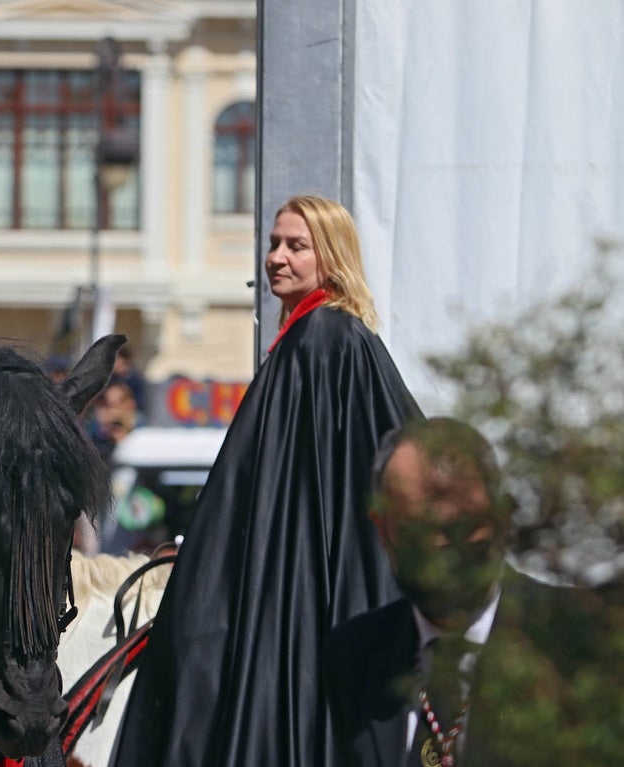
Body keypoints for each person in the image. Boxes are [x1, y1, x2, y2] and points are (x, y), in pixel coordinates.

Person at [111, 195, 420, 767]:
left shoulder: (320, 341)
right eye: (274, 244)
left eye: (296, 246)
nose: (277, 258)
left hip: (300, 592)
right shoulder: (328, 339)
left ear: (331, 257)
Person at [324, 417, 618, 766]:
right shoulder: (355, 656)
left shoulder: (579, 644)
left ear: (503, 517)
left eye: (458, 528)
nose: (438, 547)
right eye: (415, 531)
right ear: (382, 530)